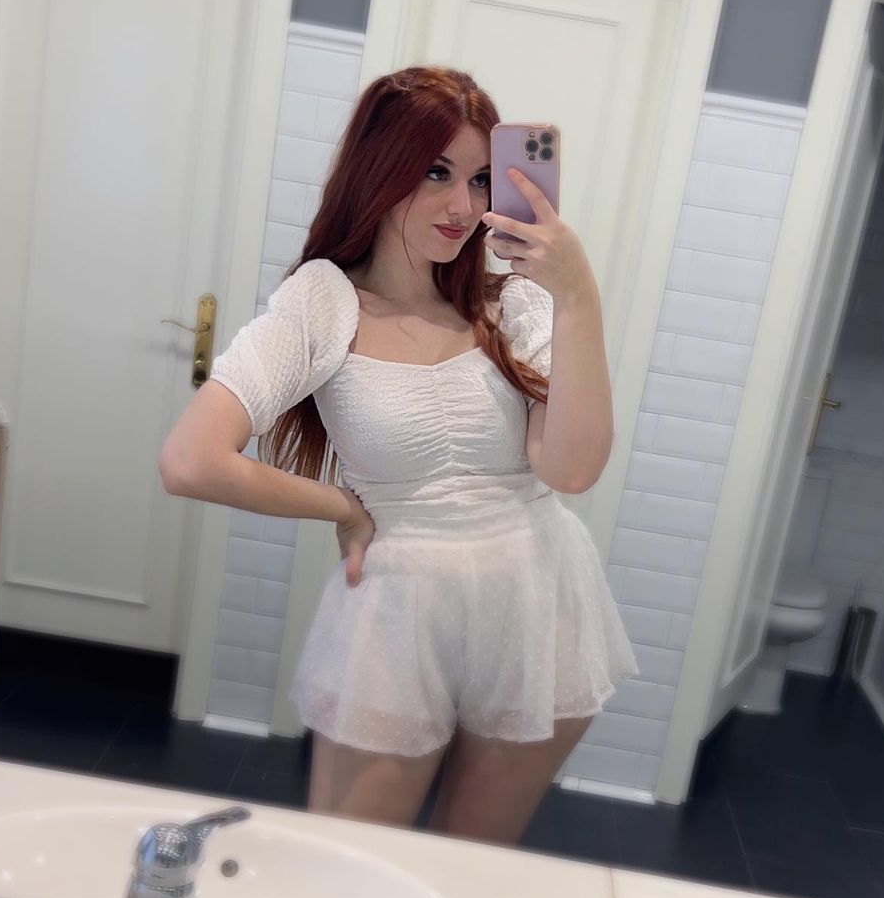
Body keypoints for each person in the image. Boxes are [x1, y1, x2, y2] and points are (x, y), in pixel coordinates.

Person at [159, 65, 639, 845]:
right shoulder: (326, 301)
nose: (463, 207)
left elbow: (572, 468)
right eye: (436, 172)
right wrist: (342, 507)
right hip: (398, 613)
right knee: (350, 860)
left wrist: (576, 296)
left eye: (481, 180)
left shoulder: (511, 301)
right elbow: (190, 458)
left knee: (467, 862)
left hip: (537, 595)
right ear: (379, 169)